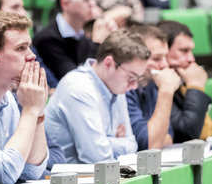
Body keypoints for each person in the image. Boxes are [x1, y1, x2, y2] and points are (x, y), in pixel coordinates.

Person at [45, 29, 150, 164]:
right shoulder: (79, 88)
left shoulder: (116, 86)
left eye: (137, 79)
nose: (134, 86)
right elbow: (98, 159)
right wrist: (115, 142)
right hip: (64, 181)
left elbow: (133, 145)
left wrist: (105, 142)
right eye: (131, 77)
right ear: (108, 63)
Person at [0, 11, 49, 184]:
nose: (31, 56)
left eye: (28, 46)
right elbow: (4, 174)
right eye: (21, 48)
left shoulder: (8, 98)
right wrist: (30, 110)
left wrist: (38, 111)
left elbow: (31, 171)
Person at [0, 0, 59, 89]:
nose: (23, 12)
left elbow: (50, 83)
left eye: (22, 7)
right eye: (15, 7)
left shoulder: (23, 41)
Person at [33, 0, 115, 80]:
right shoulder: (47, 39)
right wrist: (97, 44)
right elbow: (76, 80)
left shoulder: (83, 32)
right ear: (65, 4)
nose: (92, 3)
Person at [126, 25, 181, 150]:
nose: (165, 65)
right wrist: (166, 91)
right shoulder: (124, 90)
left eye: (165, 57)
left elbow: (168, 138)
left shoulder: (152, 85)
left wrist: (159, 137)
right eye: (157, 58)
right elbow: (150, 145)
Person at [157, 20, 212, 142]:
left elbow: (206, 134)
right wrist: (196, 87)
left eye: (191, 51)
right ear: (164, 50)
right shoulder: (156, 86)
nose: (191, 59)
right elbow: (187, 135)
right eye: (183, 51)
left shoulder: (181, 84)